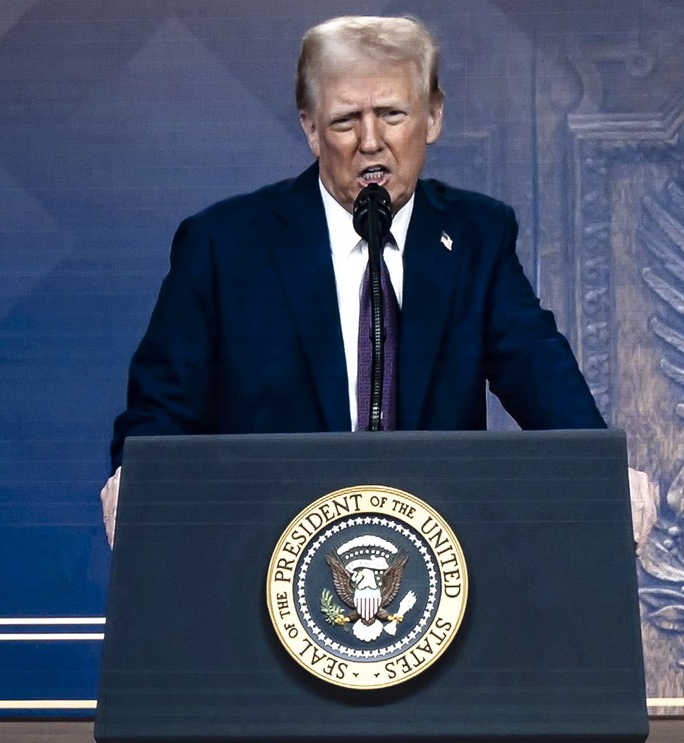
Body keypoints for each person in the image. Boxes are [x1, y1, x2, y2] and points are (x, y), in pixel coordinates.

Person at [101, 14, 623, 545]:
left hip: (436, 561)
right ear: (309, 128)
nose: (370, 142)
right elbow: (162, 412)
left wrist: (602, 468)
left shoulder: (475, 236)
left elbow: (539, 371)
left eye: (392, 114)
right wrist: (139, 479)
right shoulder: (224, 245)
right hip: (264, 554)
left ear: (434, 117)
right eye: (346, 120)